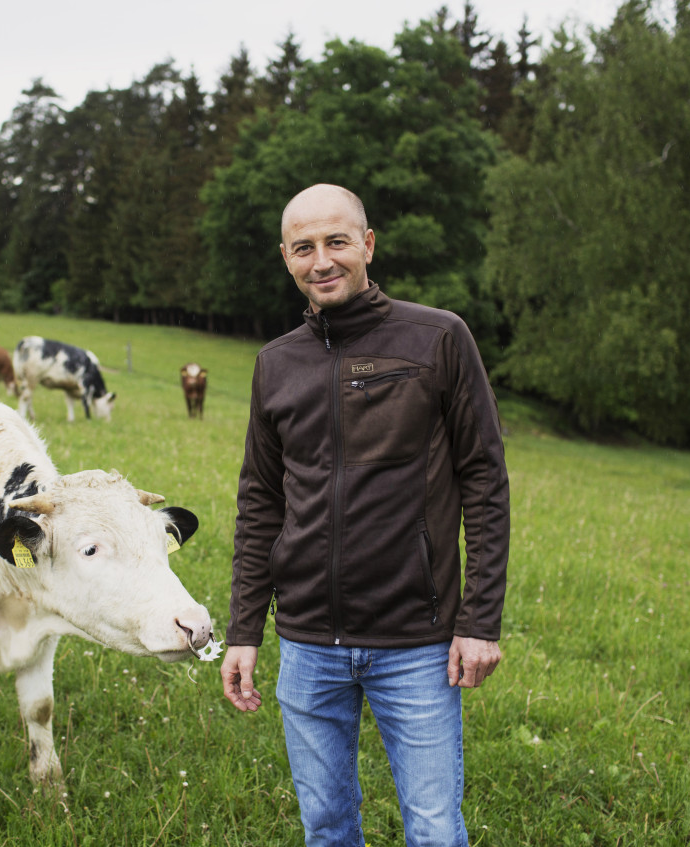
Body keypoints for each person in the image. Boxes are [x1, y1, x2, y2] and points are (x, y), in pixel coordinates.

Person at [220, 184, 510, 847]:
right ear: (287, 257)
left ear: (368, 245)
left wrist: (479, 619)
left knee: (435, 830)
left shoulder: (438, 338)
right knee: (326, 828)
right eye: (304, 247)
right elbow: (261, 501)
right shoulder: (276, 364)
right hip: (308, 645)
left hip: (417, 641)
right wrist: (245, 630)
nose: (321, 260)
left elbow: (485, 479)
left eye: (337, 242)